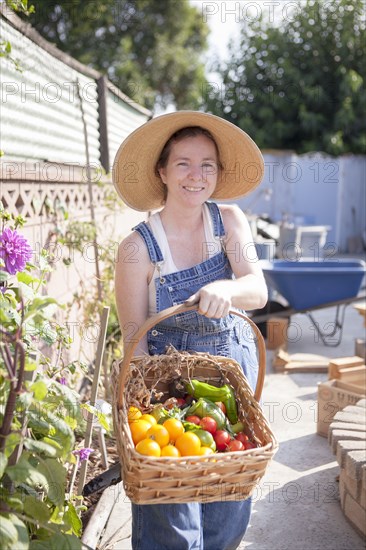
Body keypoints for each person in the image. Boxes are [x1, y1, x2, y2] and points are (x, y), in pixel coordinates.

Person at [113, 111, 268, 550]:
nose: (196, 175)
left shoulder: (231, 222)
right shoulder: (138, 248)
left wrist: (225, 288)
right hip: (170, 394)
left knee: (227, 514)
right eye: (183, 163)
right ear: (161, 171)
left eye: (207, 165)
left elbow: (257, 290)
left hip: (232, 389)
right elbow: (135, 341)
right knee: (173, 523)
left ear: (218, 173)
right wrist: (140, 415)